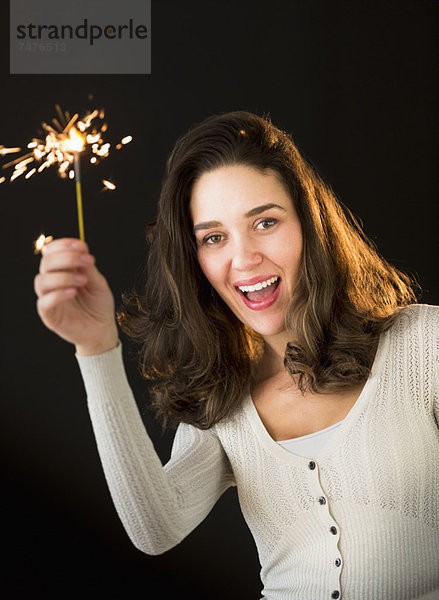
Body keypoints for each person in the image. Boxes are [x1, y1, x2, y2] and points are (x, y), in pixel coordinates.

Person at [34, 111, 439, 600]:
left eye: (265, 222)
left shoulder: (423, 344)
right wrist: (96, 348)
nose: (244, 259)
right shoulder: (225, 403)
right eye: (213, 237)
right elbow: (156, 529)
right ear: (196, 261)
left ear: (311, 226)